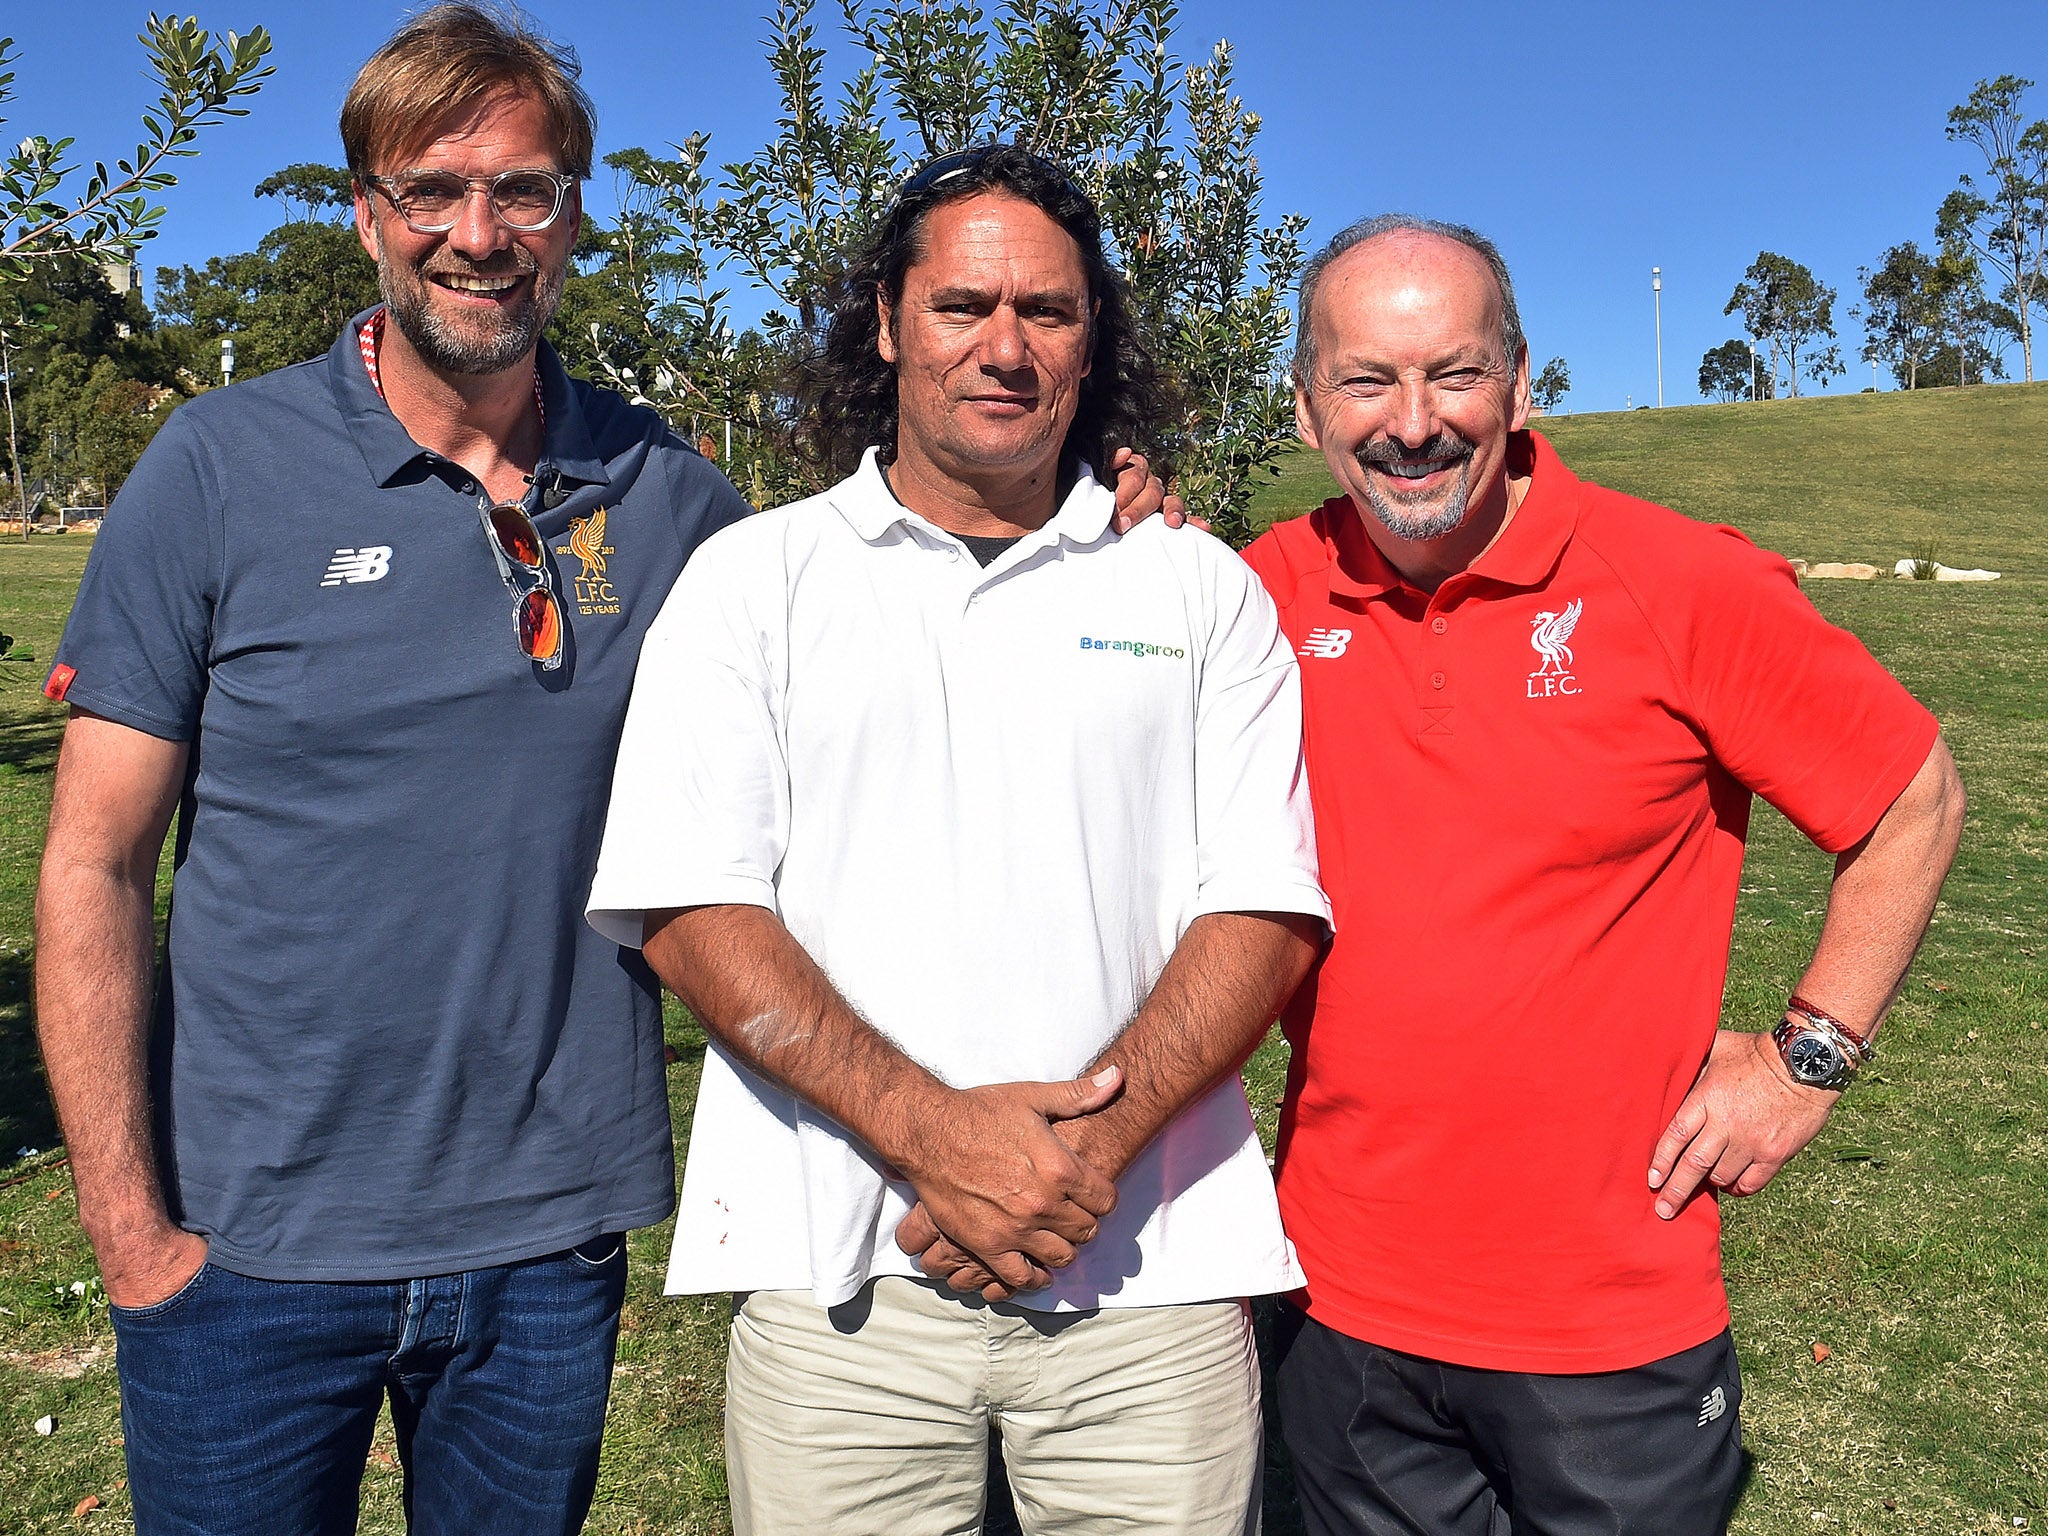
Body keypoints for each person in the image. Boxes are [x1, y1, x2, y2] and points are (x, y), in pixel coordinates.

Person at [31, 11, 1171, 1533]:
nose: (480, 234)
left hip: (548, 1249)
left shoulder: (675, 501)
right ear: (368, 213)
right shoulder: (219, 468)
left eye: (526, 191)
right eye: (434, 191)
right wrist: (129, 1233)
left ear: (574, 213)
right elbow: (91, 864)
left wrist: (1092, 513)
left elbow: (884, 589)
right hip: (248, 1246)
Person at [584, 143, 1330, 1536]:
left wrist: (1078, 1166)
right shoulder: (758, 582)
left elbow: (1266, 913)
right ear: (885, 318)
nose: (1005, 346)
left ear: (1091, 335)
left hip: (1148, 1287)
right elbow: (692, 910)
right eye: (962, 306)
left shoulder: (1198, 588)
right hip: (839, 1295)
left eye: (1045, 311)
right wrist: (939, 1141)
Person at [1244, 213, 1966, 1536]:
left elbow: (1912, 797)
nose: (1413, 422)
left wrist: (1811, 1055)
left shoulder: (1679, 582)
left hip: (1610, 1323)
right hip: (1337, 1302)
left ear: (1522, 388)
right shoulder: (1256, 598)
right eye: (1366, 379)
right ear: (1304, 408)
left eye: (1454, 373)